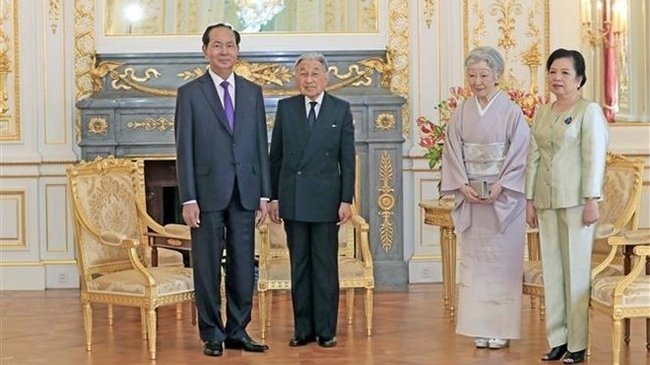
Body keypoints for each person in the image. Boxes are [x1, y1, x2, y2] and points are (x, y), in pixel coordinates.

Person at [174, 23, 271, 357]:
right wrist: (188, 197)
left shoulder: (252, 91)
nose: (224, 51)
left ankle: (238, 330)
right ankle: (212, 333)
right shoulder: (189, 94)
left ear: (237, 51)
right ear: (205, 51)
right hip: (205, 194)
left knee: (244, 264)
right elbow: (183, 148)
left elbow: (261, 144)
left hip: (245, 192)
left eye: (230, 45)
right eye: (217, 46)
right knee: (207, 265)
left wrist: (263, 194)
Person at [440, 46, 530, 350]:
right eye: (472, 75)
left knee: (502, 262)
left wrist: (501, 186)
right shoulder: (462, 111)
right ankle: (478, 325)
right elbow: (452, 152)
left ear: (497, 76)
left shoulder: (511, 111)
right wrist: (462, 185)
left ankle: (501, 328)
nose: (477, 81)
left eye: (483, 75)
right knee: (475, 264)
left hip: (503, 200)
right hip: (472, 197)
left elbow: (520, 154)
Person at [525, 48, 609, 364]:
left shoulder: (590, 112)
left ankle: (578, 343)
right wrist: (529, 199)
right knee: (553, 272)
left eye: (564, 73)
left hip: (577, 203)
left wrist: (592, 200)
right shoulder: (543, 112)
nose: (557, 78)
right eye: (552, 72)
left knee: (575, 272)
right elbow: (532, 157)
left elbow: (594, 158)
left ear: (579, 78)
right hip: (546, 203)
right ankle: (558, 339)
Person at [268, 52, 355, 349]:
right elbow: (275, 156)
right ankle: (302, 329)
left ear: (326, 77)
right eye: (303, 72)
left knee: (325, 266)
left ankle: (326, 329)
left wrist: (346, 200)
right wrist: (274, 196)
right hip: (293, 199)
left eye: (315, 72)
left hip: (326, 201)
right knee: (300, 266)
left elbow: (347, 159)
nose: (308, 78)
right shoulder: (286, 108)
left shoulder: (340, 110)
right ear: (296, 78)